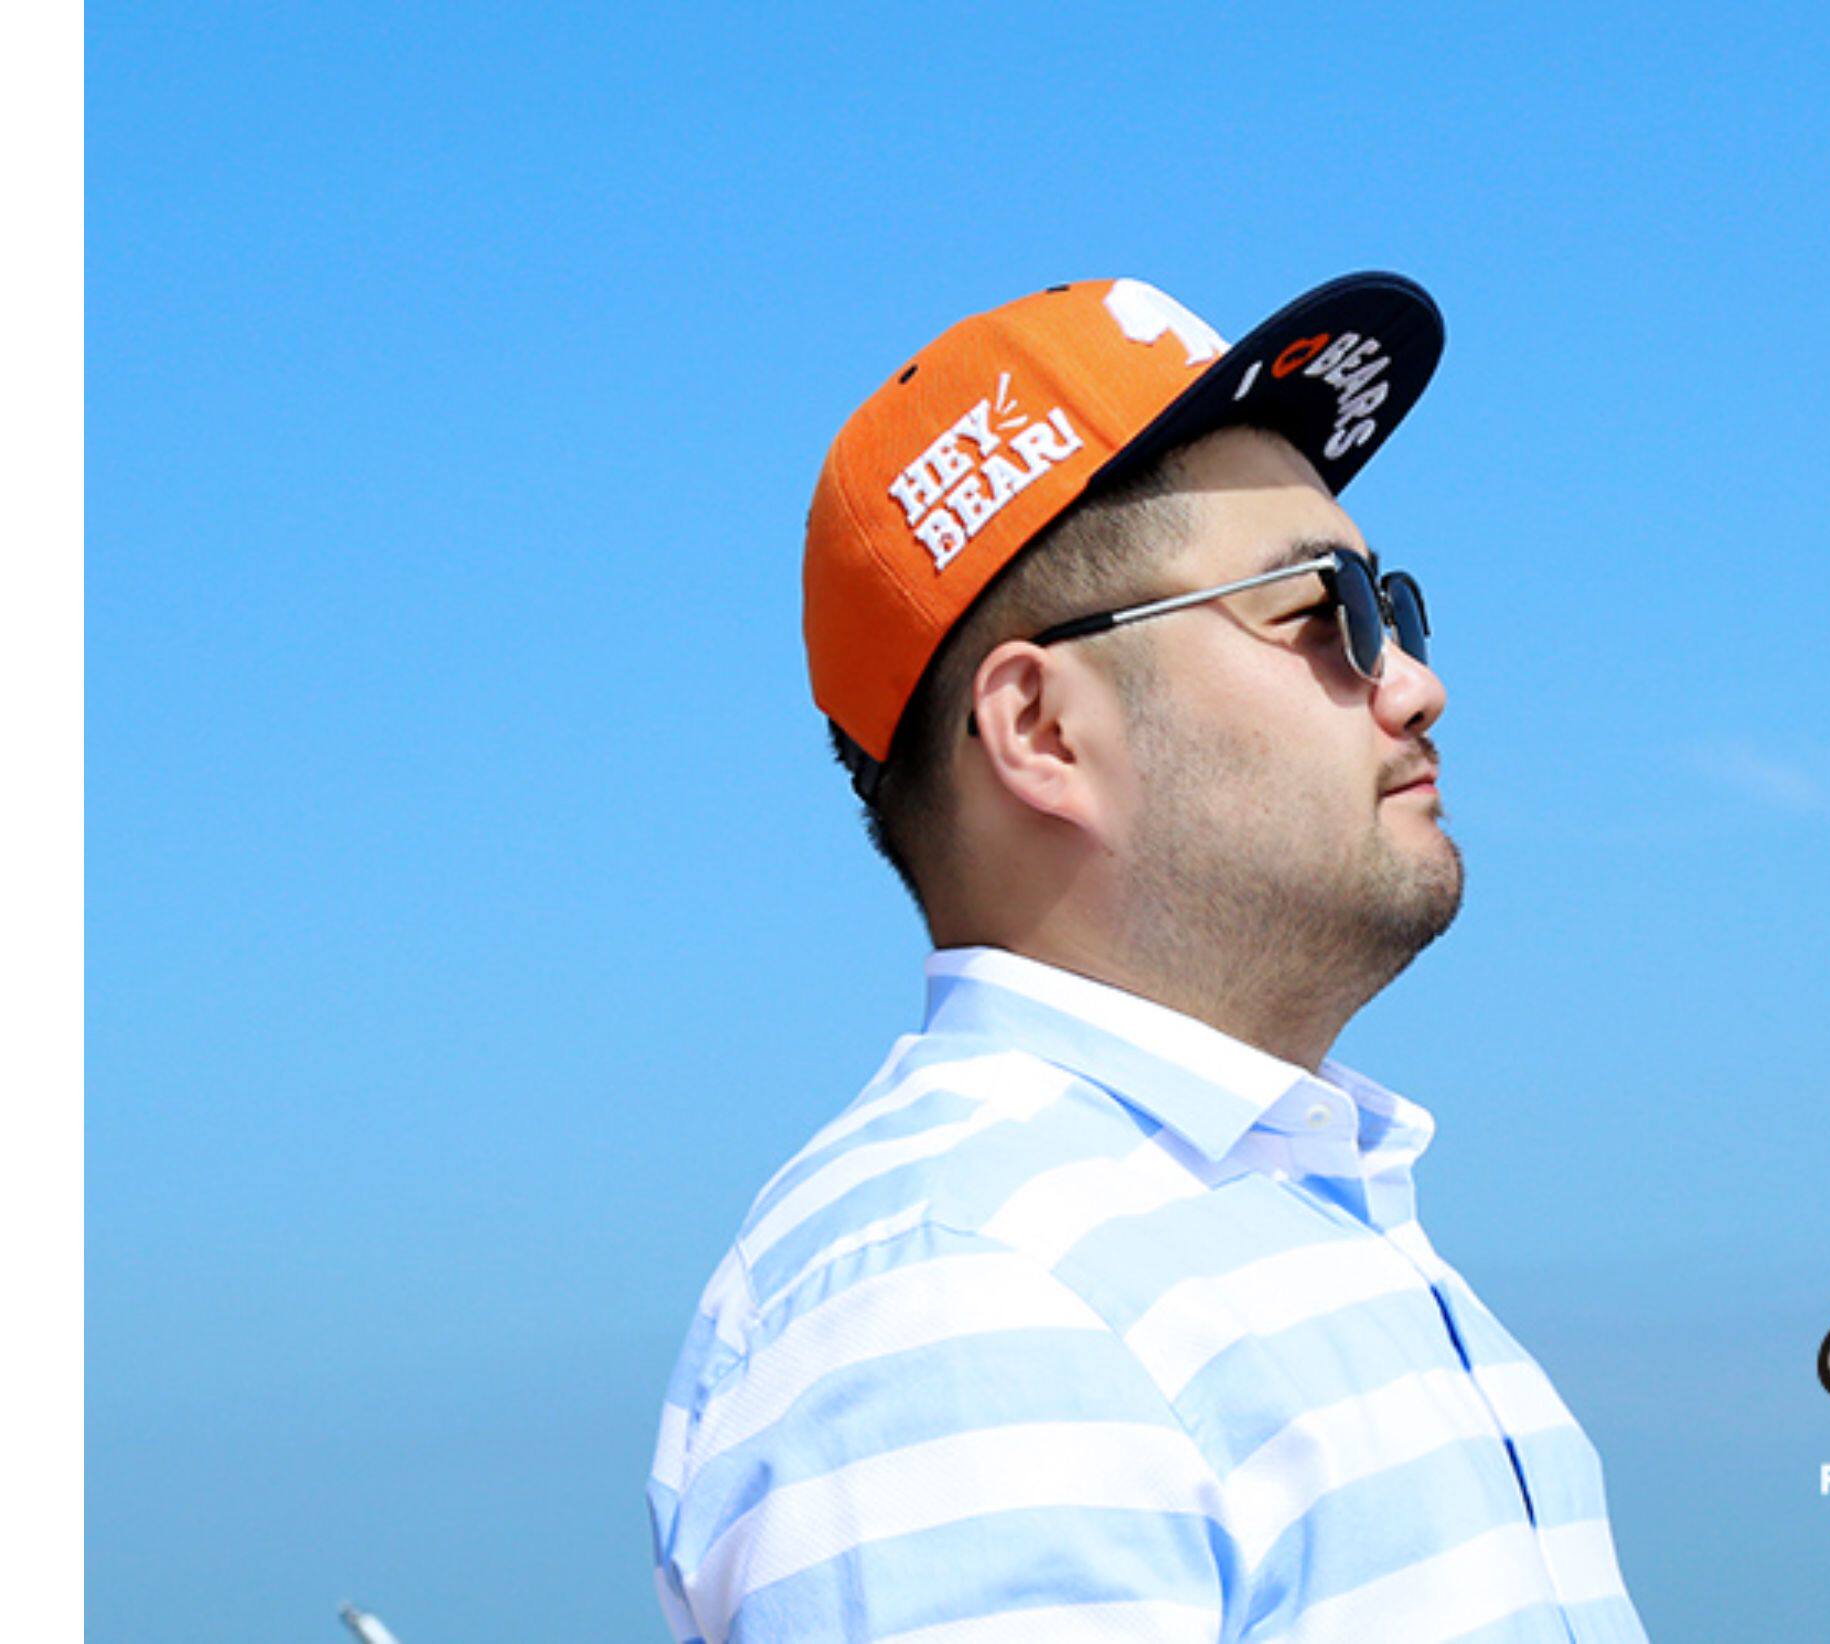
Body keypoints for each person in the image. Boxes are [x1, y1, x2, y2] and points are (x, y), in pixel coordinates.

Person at [647, 273, 1650, 1644]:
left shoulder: (1274, 1212)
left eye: (1394, 607)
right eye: (1323, 614)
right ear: (1044, 731)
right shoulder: (959, 1296)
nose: (1415, 682)